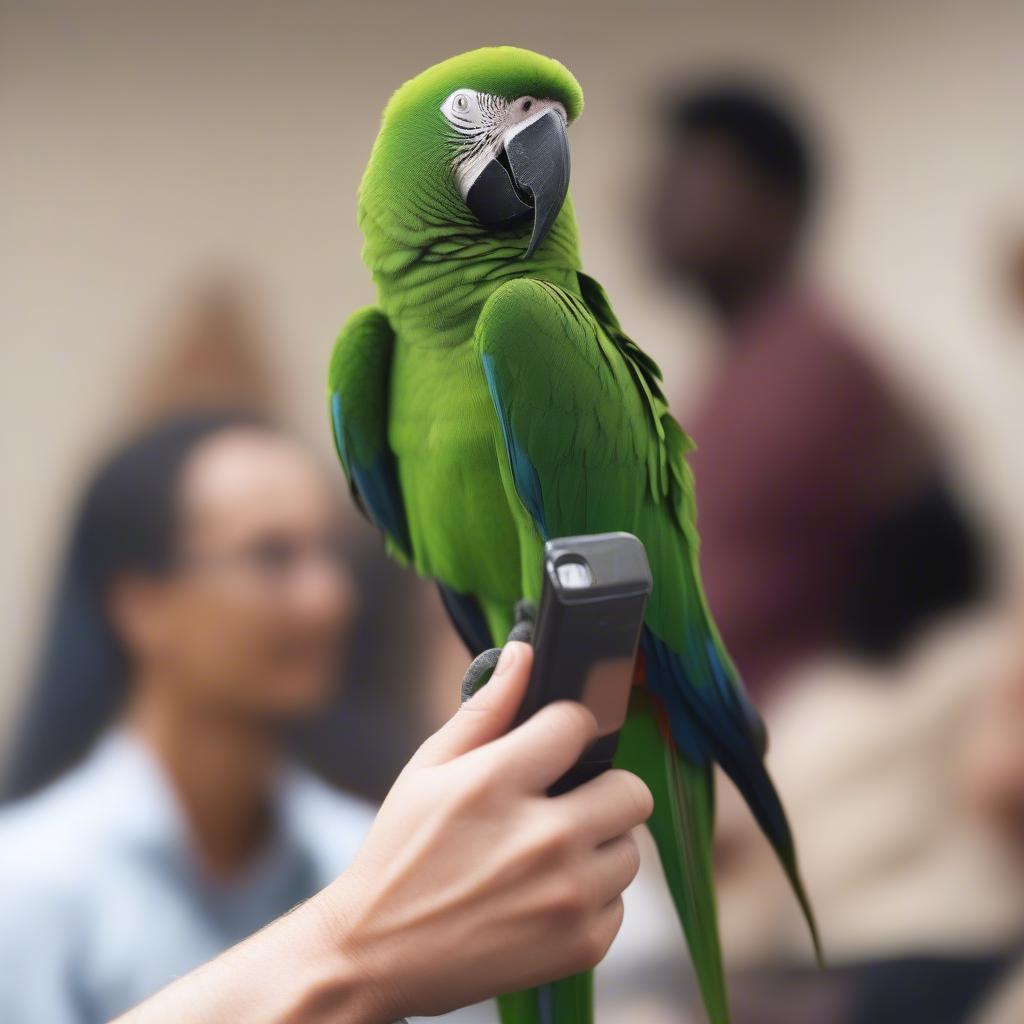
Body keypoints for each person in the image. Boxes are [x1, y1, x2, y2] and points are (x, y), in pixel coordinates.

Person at [0, 413, 377, 1022]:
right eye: (271, 556)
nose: (327, 599)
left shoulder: (369, 860)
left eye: (331, 553)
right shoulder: (25, 887)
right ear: (142, 603)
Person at [648, 82, 981, 701]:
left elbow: (722, 605)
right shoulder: (750, 365)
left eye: (690, 174)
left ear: (776, 206)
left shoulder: (807, 368)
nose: (655, 198)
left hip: (793, 752)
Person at [115, 641, 652, 1023]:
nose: (324, 594)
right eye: (271, 556)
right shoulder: (49, 874)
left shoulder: (349, 834)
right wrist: (362, 951)